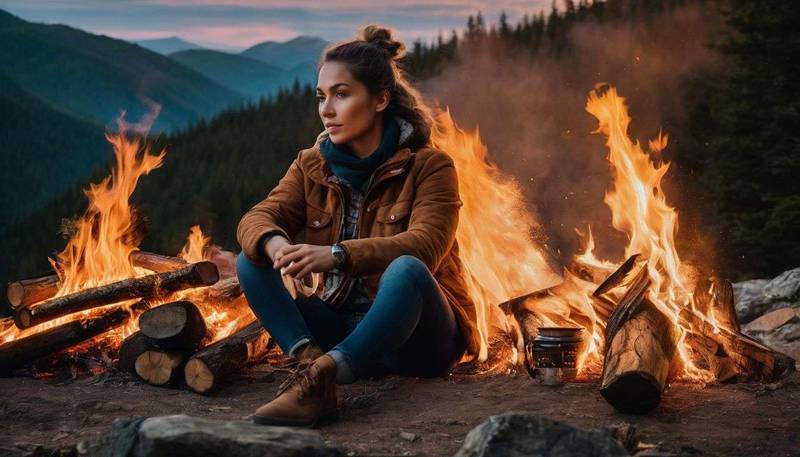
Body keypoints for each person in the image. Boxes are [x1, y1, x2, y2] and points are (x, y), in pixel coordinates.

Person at [235, 24, 480, 427]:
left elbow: (426, 245)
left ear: (381, 99)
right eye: (321, 97)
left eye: (342, 94)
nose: (326, 110)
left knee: (406, 269)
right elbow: (258, 217)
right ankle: (314, 371)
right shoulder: (311, 163)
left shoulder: (430, 166)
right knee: (252, 259)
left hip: (418, 339)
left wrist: (336, 257)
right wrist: (275, 245)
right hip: (341, 326)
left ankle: (327, 374)